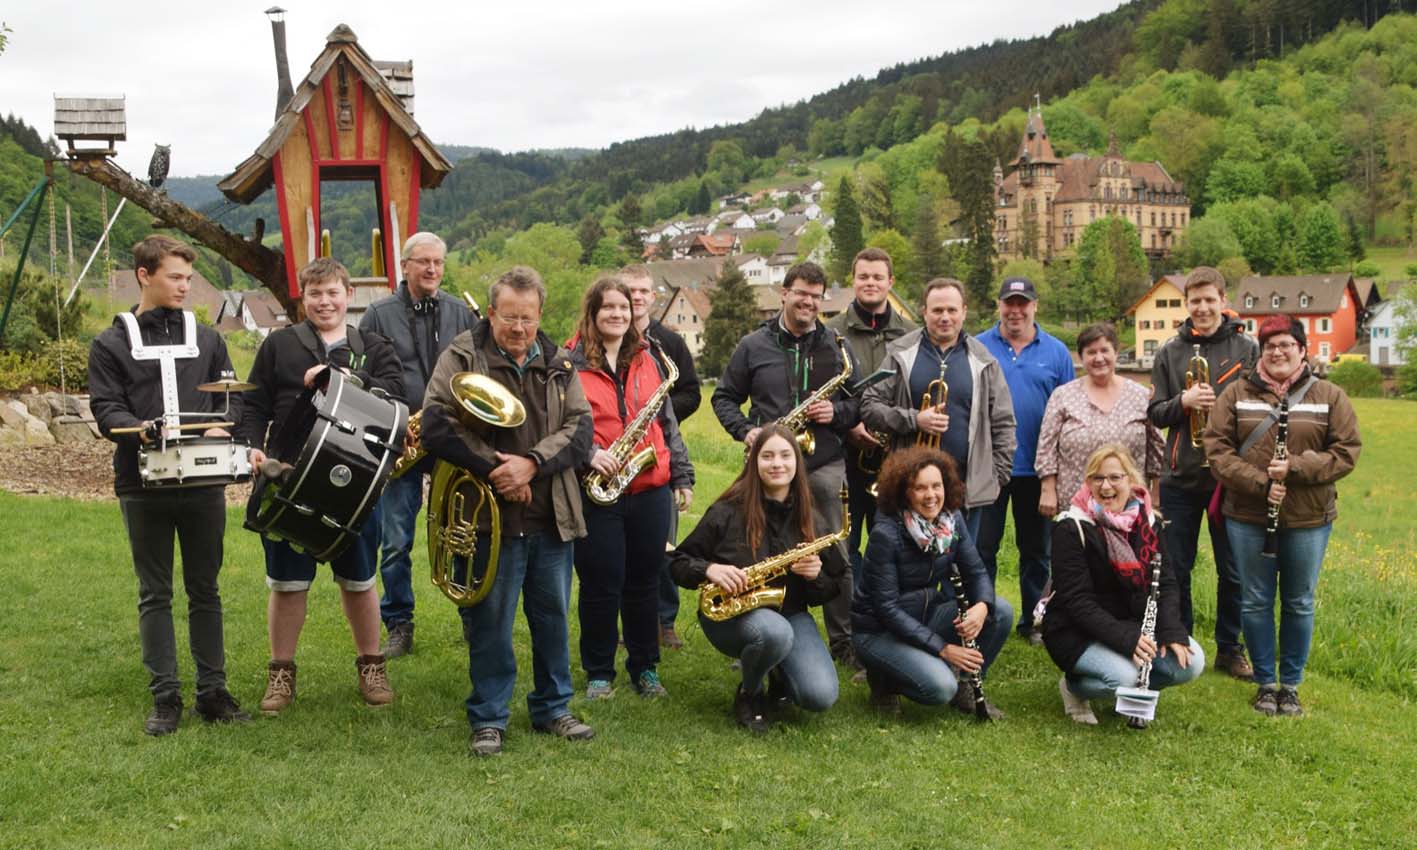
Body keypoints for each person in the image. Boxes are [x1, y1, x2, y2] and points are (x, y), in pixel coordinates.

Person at [419, 266, 595, 757]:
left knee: (553, 617)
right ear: (492, 312)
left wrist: (532, 465)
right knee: (490, 621)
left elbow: (581, 430)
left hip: (550, 515)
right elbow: (436, 423)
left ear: (540, 315)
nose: (519, 328)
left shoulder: (560, 362)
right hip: (485, 518)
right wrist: (500, 470)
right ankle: (489, 718)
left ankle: (553, 708)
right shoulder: (461, 353)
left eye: (528, 318)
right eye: (509, 317)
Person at [88, 235, 249, 735]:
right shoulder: (110, 343)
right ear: (144, 275)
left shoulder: (208, 338)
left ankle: (213, 692)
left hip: (203, 484)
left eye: (187, 278)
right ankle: (165, 696)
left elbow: (234, 398)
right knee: (154, 591)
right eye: (175, 277)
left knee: (206, 588)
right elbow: (106, 410)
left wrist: (225, 425)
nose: (184, 286)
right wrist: (144, 430)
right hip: (141, 483)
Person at [241, 257, 405, 716]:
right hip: (290, 475)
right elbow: (253, 404)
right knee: (287, 583)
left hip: (354, 480)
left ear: (348, 296)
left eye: (333, 293)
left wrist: (347, 379)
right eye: (315, 294)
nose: (324, 302)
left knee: (359, 580)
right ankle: (281, 674)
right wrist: (254, 447)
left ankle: (372, 667)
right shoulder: (279, 346)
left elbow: (396, 397)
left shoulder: (373, 345)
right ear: (303, 299)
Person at [1206, 316, 1360, 717]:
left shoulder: (1329, 395)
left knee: (1299, 602)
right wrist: (1260, 482)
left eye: (1286, 345)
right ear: (1262, 351)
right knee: (1255, 601)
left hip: (1308, 518)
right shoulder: (1235, 394)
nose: (1278, 352)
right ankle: (1264, 683)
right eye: (1270, 345)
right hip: (1247, 515)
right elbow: (1217, 451)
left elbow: (1346, 453)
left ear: (1302, 350)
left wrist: (1295, 467)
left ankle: (1290, 685)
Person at [711, 261, 859, 670]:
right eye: (801, 293)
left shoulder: (836, 346)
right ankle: (757, 634)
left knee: (832, 552)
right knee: (755, 547)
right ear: (784, 292)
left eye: (815, 296)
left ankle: (842, 642)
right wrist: (746, 432)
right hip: (768, 462)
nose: (808, 302)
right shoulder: (752, 345)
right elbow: (723, 398)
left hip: (822, 461)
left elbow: (860, 402)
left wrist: (839, 411)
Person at [669, 424, 846, 732]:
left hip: (789, 614)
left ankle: (778, 672)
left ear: (796, 462)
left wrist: (815, 576)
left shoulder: (810, 518)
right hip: (730, 618)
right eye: (767, 456)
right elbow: (677, 563)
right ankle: (750, 691)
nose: (777, 464)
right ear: (754, 462)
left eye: (785, 456)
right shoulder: (727, 510)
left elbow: (835, 583)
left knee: (819, 696)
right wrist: (709, 569)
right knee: (774, 632)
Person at [568, 276, 693, 700]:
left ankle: (646, 668)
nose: (619, 314)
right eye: (609, 308)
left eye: (624, 307)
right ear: (593, 314)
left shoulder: (649, 359)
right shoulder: (569, 364)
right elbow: (559, 424)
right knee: (601, 584)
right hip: (598, 488)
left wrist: (681, 474)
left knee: (644, 582)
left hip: (649, 489)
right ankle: (599, 671)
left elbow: (667, 422)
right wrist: (587, 452)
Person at [359, 232, 474, 658]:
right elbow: (364, 374)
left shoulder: (461, 313)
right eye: (423, 262)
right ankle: (399, 624)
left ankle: (471, 615)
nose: (432, 270)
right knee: (395, 540)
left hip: (452, 437)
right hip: (401, 438)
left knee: (461, 532)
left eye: (438, 263)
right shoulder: (377, 314)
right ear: (404, 266)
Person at [1044, 444, 1205, 728]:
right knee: (1124, 677)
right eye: (1097, 478)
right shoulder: (1071, 527)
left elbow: (1167, 582)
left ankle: (1135, 692)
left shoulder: (1148, 522)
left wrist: (1171, 632)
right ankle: (1074, 687)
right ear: (1088, 483)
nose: (1106, 486)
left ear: (1130, 481)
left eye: (1115, 477)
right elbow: (1078, 603)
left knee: (1192, 662)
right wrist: (1127, 640)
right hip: (1075, 630)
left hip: (1131, 624)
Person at [1148, 266, 1257, 680]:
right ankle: (1183, 641)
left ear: (1223, 301)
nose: (1203, 307)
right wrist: (1185, 401)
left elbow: (1258, 406)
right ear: (1187, 304)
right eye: (1195, 301)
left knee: (1233, 569)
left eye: (1210, 299)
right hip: (1180, 477)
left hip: (1230, 478)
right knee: (1177, 566)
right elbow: (1156, 413)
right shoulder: (1169, 352)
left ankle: (1230, 647)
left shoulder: (1246, 348)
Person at [852, 446, 1013, 718]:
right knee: (939, 688)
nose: (931, 496)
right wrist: (943, 649)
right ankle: (884, 683)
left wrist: (983, 605)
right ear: (905, 492)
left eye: (936, 486)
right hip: (878, 631)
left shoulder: (951, 520)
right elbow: (887, 610)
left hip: (924, 614)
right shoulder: (886, 534)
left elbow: (975, 571)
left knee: (1002, 610)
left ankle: (966, 685)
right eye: (920, 488)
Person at [861, 277, 1016, 542]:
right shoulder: (901, 352)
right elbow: (869, 405)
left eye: (952, 310)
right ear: (924, 312)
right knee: (908, 569)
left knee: (961, 572)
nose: (945, 317)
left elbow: (1004, 423)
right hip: (909, 488)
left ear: (964, 312)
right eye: (937, 310)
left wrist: (995, 477)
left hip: (966, 490)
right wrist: (914, 420)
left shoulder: (984, 360)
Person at [975, 276, 1075, 645]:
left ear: (1035, 306)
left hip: (1037, 469)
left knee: (1036, 551)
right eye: (1009, 303)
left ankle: (1034, 621)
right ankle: (982, 614)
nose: (1015, 310)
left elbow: (1069, 409)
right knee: (982, 548)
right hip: (987, 467)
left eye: (1023, 303)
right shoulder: (978, 346)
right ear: (998, 305)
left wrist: (1055, 474)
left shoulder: (1057, 352)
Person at [825, 247, 916, 593]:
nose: (870, 283)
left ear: (891, 282)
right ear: (853, 280)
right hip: (844, 455)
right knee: (844, 543)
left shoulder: (911, 334)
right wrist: (849, 426)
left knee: (893, 543)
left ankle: (887, 610)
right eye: (863, 276)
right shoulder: (830, 332)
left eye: (878, 276)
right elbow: (823, 389)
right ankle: (852, 613)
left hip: (897, 458)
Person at [621, 264, 701, 650]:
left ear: (654, 297)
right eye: (629, 291)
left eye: (642, 291)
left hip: (659, 450)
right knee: (621, 551)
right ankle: (628, 624)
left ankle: (665, 622)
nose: (636, 298)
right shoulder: (603, 337)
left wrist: (655, 412)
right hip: (619, 458)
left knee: (663, 547)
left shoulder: (669, 340)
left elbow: (691, 393)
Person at [1037, 321, 1164, 559]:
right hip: (1076, 504)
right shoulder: (1064, 396)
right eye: (1091, 352)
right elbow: (1046, 446)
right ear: (1081, 357)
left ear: (1116, 353)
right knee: (1077, 568)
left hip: (1128, 502)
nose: (1098, 358)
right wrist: (1047, 489)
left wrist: (1156, 490)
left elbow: (1157, 445)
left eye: (1104, 350)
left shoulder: (1141, 395)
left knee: (1130, 565)